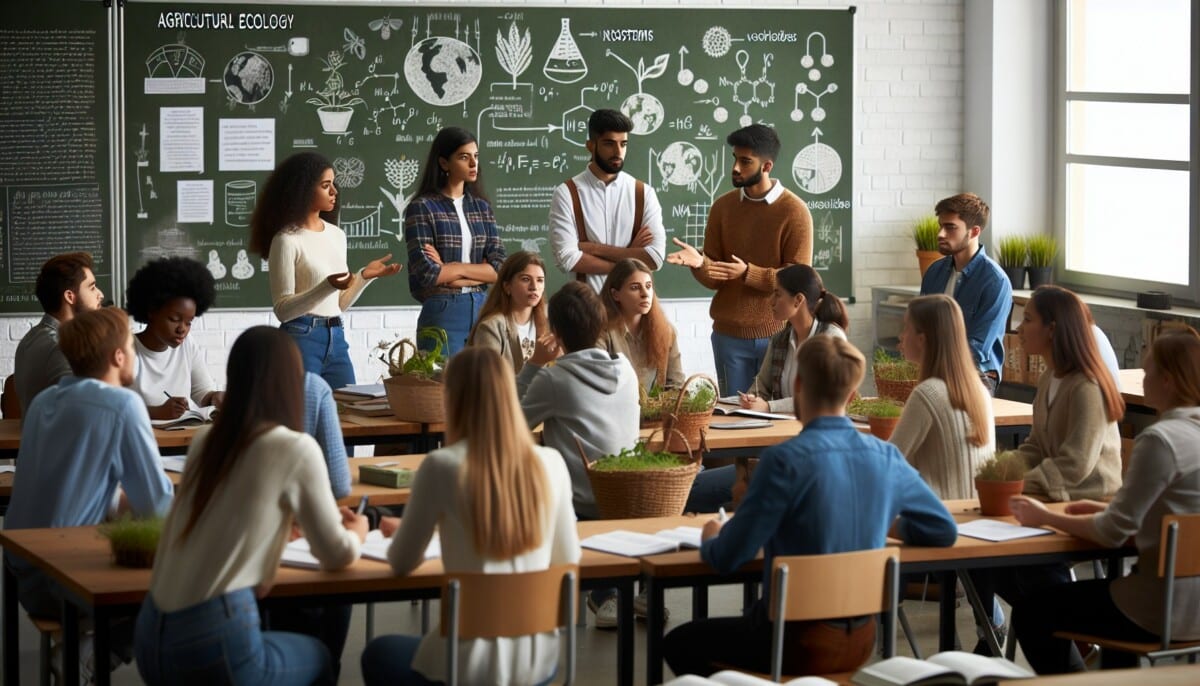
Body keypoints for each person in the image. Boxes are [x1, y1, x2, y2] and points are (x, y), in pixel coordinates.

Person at [662, 336, 958, 677]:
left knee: (680, 642)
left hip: (793, 640)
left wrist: (712, 536)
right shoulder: (886, 456)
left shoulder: (783, 461)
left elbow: (729, 558)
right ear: (851, 395)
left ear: (799, 384)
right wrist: (892, 526)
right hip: (861, 640)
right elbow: (942, 529)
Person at [134, 327, 367, 685]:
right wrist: (358, 532)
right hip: (212, 642)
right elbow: (336, 555)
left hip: (150, 639)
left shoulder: (206, 440)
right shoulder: (294, 447)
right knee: (319, 656)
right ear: (293, 380)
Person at [362, 348, 580, 686]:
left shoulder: (441, 466)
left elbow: (402, 562)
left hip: (464, 668)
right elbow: (568, 558)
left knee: (378, 653)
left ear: (452, 400)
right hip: (537, 663)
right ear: (510, 394)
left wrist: (393, 532)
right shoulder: (551, 463)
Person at [1009, 326, 1200, 673]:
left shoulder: (1160, 440)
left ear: (1169, 381)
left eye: (1148, 371)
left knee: (1031, 611)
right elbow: (1172, 514)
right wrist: (1107, 508)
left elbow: (1114, 532)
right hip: (1194, 608)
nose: (1143, 380)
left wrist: (1046, 517)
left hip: (1160, 610)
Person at [4, 307, 173, 668]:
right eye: (132, 345)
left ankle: (87, 647)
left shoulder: (43, 402)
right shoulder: (122, 403)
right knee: (186, 587)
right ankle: (97, 655)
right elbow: (157, 507)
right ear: (118, 356)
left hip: (23, 575)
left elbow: (68, 483)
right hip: (67, 578)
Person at [969, 285, 1125, 656]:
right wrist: (1000, 472)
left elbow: (1075, 465)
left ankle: (1067, 650)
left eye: (1029, 320)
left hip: (1087, 502)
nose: (1020, 329)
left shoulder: (1087, 385)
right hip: (1054, 499)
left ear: (1053, 329)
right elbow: (1037, 447)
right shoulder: (1049, 379)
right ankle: (1064, 640)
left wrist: (1015, 485)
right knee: (980, 563)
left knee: (1031, 574)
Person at [666, 124, 813, 396]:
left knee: (776, 419)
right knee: (734, 416)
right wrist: (700, 264)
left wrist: (748, 273)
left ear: (767, 166)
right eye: (735, 158)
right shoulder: (722, 207)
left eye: (745, 161)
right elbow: (715, 278)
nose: (735, 167)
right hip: (728, 336)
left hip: (778, 335)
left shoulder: (795, 212)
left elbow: (798, 279)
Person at [249, 151, 401, 392]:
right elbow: (282, 311)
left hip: (337, 336)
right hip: (300, 337)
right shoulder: (286, 240)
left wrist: (363, 277)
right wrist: (326, 286)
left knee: (349, 413)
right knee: (304, 416)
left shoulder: (337, 235)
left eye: (333, 184)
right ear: (303, 189)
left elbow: (338, 304)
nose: (334, 192)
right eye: (325, 185)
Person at [517, 281, 640, 520]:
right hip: (628, 499)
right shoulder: (626, 370)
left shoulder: (554, 378)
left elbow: (510, 429)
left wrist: (533, 364)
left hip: (579, 509)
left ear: (555, 332)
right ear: (601, 326)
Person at [405, 127, 506, 356]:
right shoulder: (421, 207)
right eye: (464, 157)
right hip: (443, 310)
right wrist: (476, 273)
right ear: (444, 163)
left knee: (484, 387)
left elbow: (500, 268)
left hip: (483, 307)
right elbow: (429, 274)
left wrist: (454, 269)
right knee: (441, 388)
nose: (473, 163)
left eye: (476, 156)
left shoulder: (481, 207)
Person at [889, 294, 994, 500]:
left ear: (922, 340)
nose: (901, 336)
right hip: (975, 516)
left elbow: (888, 461)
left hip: (939, 517)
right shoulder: (980, 390)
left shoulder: (928, 393)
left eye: (906, 327)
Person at [548, 108, 666, 293]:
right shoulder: (566, 193)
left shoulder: (644, 193)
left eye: (623, 144)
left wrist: (593, 249)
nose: (618, 152)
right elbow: (568, 259)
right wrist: (627, 261)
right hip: (585, 311)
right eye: (609, 144)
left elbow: (655, 258)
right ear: (590, 145)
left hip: (632, 312)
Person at [919, 193, 1013, 395]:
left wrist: (937, 368)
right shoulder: (934, 272)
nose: (941, 234)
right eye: (940, 226)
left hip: (977, 375)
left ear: (974, 231)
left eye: (950, 227)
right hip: (935, 370)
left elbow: (977, 348)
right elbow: (920, 326)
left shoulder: (995, 281)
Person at [738, 264, 847, 414]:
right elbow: (762, 385)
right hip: (783, 428)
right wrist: (751, 398)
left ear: (798, 300)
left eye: (777, 294)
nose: (771, 301)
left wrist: (770, 407)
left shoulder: (831, 338)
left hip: (820, 429)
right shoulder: (779, 339)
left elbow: (821, 398)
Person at [124, 256, 223, 420]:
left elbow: (202, 393)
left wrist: (215, 398)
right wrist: (156, 412)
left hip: (181, 437)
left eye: (189, 322)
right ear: (151, 311)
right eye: (174, 319)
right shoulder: (125, 348)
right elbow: (112, 406)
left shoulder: (187, 345)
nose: (182, 329)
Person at [13, 252, 105, 414]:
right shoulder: (63, 346)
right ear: (70, 296)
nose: (100, 294)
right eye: (92, 287)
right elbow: (85, 410)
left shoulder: (30, 339)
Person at [598, 257, 684, 391]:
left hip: (656, 410)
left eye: (648, 286)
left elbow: (676, 384)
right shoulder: (602, 331)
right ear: (615, 295)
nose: (645, 294)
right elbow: (598, 382)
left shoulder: (666, 330)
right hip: (616, 409)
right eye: (635, 288)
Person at [466, 250, 548, 373]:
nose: (534, 287)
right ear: (507, 286)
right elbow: (490, 384)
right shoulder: (491, 327)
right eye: (526, 279)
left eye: (540, 280)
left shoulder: (548, 324)